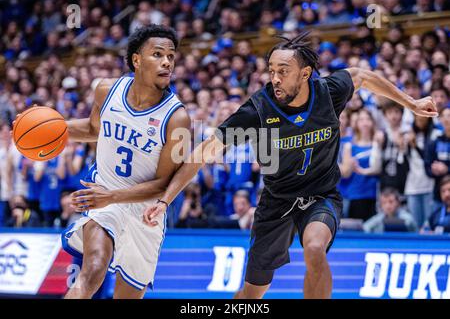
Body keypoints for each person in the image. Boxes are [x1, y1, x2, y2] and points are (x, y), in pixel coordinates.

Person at [144, 32, 437, 299]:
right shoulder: (257, 111)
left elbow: (362, 76)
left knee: (314, 248)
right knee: (252, 293)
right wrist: (165, 200)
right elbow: (202, 153)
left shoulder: (328, 93)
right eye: (271, 71)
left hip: (320, 195)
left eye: (283, 71)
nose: (275, 78)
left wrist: (410, 103)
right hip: (276, 201)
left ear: (305, 73)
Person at [12, 25, 190, 298]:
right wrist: (45, 128)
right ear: (136, 60)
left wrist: (112, 196)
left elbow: (164, 184)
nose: (167, 61)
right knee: (93, 268)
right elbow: (95, 129)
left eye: (171, 56)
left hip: (145, 214)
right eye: (158, 54)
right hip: (104, 201)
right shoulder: (107, 91)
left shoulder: (177, 118)